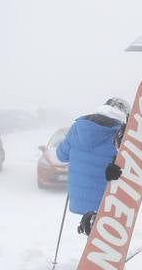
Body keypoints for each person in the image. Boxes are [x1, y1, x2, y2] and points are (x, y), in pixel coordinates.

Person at [55, 97, 131, 233]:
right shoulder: (121, 134)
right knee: (104, 237)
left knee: (93, 238)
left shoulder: (77, 128)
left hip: (78, 200)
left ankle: (87, 227)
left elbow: (61, 156)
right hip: (106, 202)